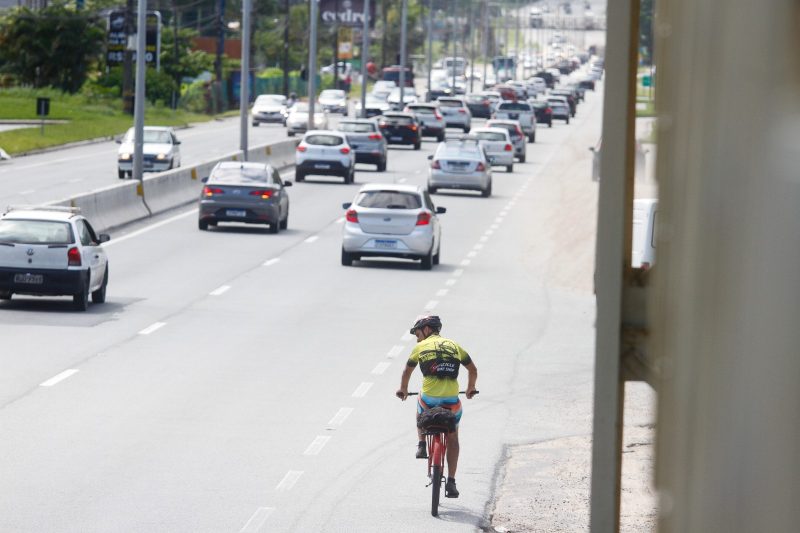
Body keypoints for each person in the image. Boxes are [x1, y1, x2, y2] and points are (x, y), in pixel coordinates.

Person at [396, 315, 478, 499]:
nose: (417, 338)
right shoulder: (454, 346)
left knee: (419, 403)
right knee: (454, 437)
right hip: (451, 401)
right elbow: (472, 369)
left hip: (429, 400)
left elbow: (406, 371)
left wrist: (403, 389)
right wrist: (470, 388)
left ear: (426, 329)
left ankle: (422, 444)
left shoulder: (420, 347)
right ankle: (451, 481)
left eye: (417, 333)